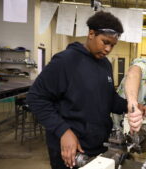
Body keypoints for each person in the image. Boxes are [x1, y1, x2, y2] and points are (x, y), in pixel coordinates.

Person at [27, 11, 131, 169]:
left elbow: (109, 99)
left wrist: (130, 105)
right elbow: (36, 98)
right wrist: (63, 131)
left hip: (99, 145)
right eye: (105, 42)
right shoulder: (65, 61)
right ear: (91, 34)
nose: (109, 49)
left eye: (113, 45)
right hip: (71, 148)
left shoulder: (105, 65)